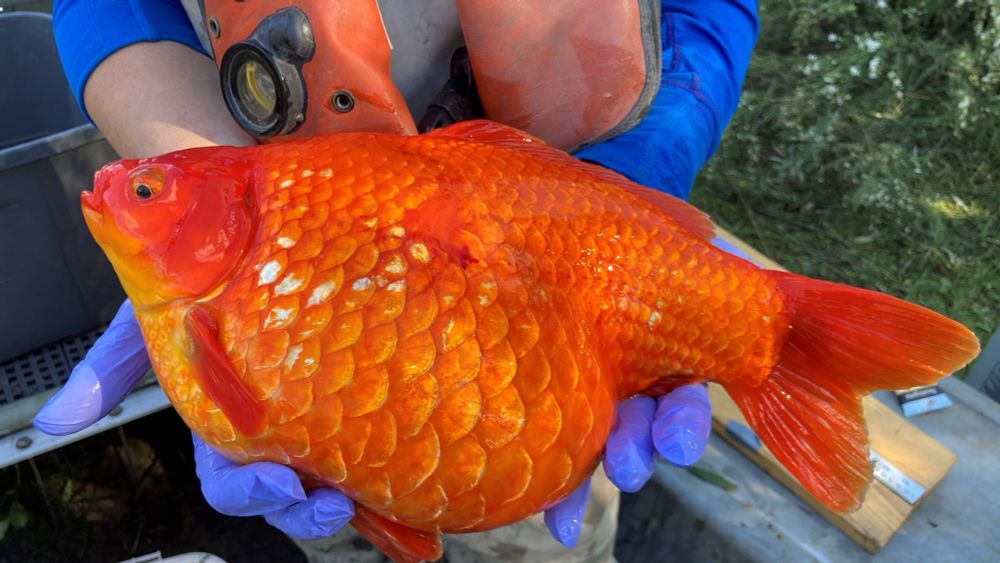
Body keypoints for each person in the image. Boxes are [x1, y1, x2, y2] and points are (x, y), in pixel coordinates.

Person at [34, 1, 759, 561]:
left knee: (543, 512)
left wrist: (617, 197)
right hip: (274, 189)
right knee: (318, 509)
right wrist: (193, 174)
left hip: (545, 292)